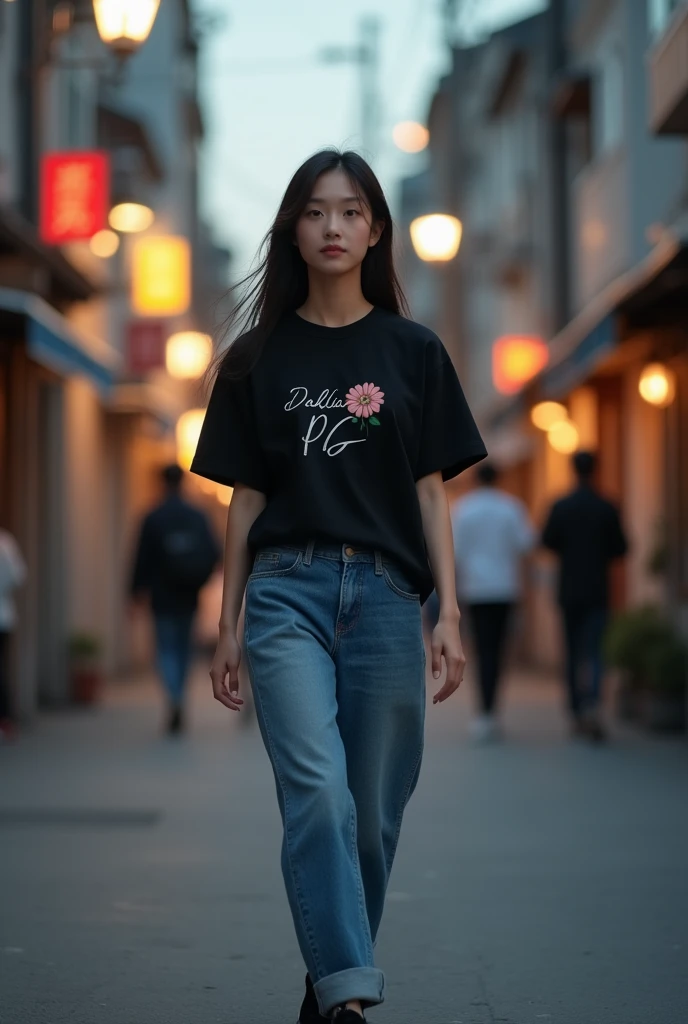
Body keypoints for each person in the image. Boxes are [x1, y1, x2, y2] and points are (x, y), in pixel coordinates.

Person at [191, 149, 487, 1023]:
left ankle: (326, 995)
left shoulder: (413, 351)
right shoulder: (255, 358)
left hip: (391, 600)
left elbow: (431, 488)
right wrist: (228, 622)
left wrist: (450, 614)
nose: (333, 227)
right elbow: (245, 500)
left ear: (375, 230)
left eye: (351, 212)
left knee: (372, 821)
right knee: (317, 792)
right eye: (316, 212)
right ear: (293, 226)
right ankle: (353, 996)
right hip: (287, 592)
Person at [542, 450, 628, 741]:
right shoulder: (607, 506)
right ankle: (593, 703)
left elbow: (547, 541)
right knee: (594, 651)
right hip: (598, 589)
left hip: (568, 589)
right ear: (596, 469)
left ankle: (576, 710)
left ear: (573, 470)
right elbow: (621, 548)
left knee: (572, 651)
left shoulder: (561, 505)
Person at [130, 464, 220, 735]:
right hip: (188, 595)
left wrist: (135, 592)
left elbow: (140, 558)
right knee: (183, 649)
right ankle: (179, 693)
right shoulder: (197, 516)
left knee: (165, 648)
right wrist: (200, 580)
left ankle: (174, 696)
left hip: (161, 596)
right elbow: (215, 552)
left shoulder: (153, 517)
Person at [452, 462, 535, 741]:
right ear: (498, 479)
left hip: (475, 590)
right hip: (504, 588)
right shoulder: (511, 507)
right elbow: (526, 546)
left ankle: (483, 712)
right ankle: (492, 709)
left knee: (481, 650)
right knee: (498, 651)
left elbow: (456, 553)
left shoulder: (464, 509)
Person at [0, 528, 26, 742]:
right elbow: (18, 576)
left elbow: (18, 576)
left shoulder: (5, 542)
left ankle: (5, 719)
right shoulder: (5, 543)